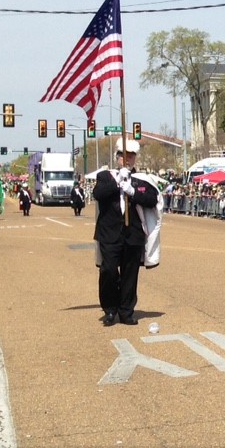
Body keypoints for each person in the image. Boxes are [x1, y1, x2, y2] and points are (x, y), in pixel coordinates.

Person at [92, 137, 160, 326]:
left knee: (130, 274)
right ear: (117, 157)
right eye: (124, 156)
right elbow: (98, 194)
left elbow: (152, 199)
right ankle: (110, 309)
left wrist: (133, 191)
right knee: (109, 271)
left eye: (131, 156)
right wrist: (117, 183)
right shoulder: (105, 176)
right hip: (110, 233)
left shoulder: (142, 179)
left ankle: (126, 310)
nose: (128, 160)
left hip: (133, 234)